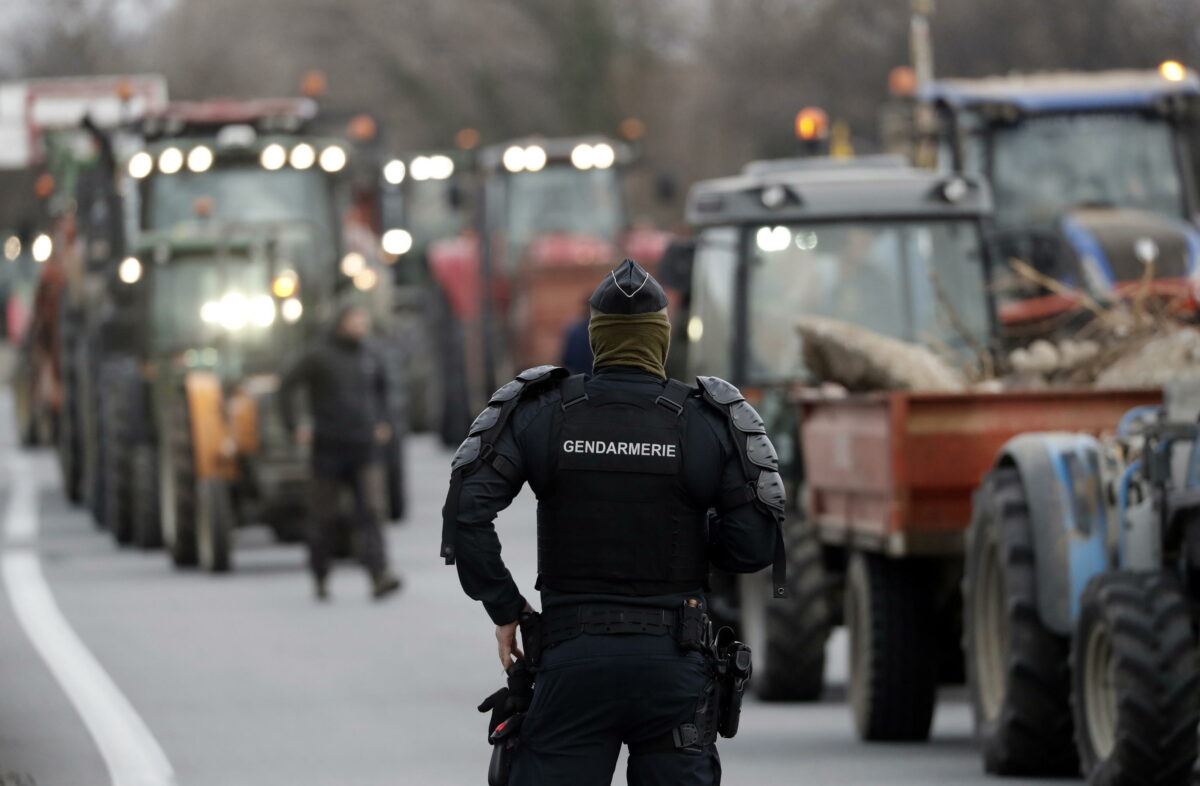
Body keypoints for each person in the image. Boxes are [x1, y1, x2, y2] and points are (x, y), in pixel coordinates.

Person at [441, 259, 785, 785]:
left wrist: (505, 608)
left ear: (597, 338)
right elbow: (753, 547)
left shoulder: (542, 412)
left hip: (570, 661)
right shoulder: (707, 420)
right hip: (673, 669)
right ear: (661, 339)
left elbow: (468, 511)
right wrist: (689, 537)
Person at [280, 303, 402, 601]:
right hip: (328, 450)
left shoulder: (371, 355)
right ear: (340, 323)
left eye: (363, 320)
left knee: (373, 511)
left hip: (365, 448)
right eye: (354, 320)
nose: (360, 325)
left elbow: (384, 390)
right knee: (324, 517)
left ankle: (379, 574)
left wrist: (384, 421)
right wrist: (294, 426)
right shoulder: (318, 355)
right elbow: (285, 386)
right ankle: (320, 574)